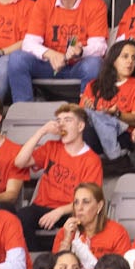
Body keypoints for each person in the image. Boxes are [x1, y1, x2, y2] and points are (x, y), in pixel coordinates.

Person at [5, 0, 107, 102]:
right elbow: (29, 43)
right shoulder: (43, 2)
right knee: (17, 58)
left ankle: (85, 114)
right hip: (48, 65)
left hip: (78, 64)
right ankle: (23, 111)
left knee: (94, 64)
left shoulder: (96, 5)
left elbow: (100, 47)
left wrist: (81, 51)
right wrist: (50, 54)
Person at [12, 103, 100, 247]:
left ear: (80, 127)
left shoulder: (91, 160)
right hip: (42, 206)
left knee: (80, 222)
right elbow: (20, 162)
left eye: (67, 120)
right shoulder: (51, 147)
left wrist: (59, 211)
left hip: (72, 209)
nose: (61, 125)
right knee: (21, 217)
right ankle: (36, 261)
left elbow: (89, 199)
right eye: (59, 120)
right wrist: (42, 131)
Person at [80, 40, 135, 166]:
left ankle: (85, 170)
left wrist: (116, 114)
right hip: (94, 131)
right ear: (113, 60)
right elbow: (80, 115)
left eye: (134, 58)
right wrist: (87, 109)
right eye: (125, 56)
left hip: (122, 133)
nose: (130, 61)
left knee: (87, 134)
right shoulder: (93, 85)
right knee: (84, 127)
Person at [53, 182, 130, 269]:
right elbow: (56, 268)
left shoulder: (117, 231)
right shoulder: (66, 231)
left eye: (86, 202)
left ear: (99, 206)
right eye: (76, 202)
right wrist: (67, 239)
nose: (79, 208)